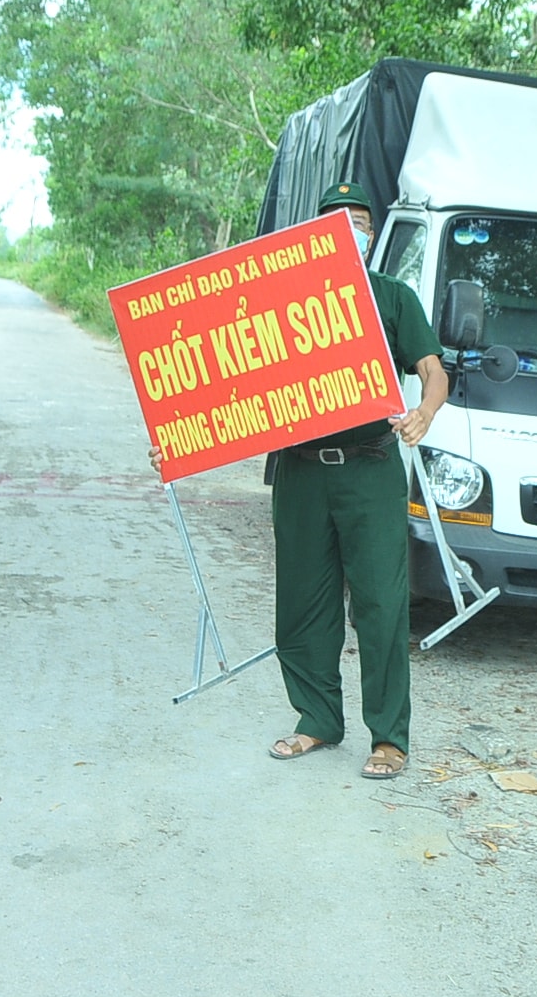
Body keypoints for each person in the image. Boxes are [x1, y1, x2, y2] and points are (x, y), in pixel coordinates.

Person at [148, 182, 448, 779]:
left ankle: (389, 738)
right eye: (338, 221)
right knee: (302, 603)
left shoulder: (392, 298)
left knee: (382, 604)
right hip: (302, 472)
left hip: (370, 468)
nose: (352, 231)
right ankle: (317, 720)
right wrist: (178, 440)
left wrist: (425, 410)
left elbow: (433, 372)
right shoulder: (278, 302)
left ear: (374, 232)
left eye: (361, 221)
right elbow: (222, 377)